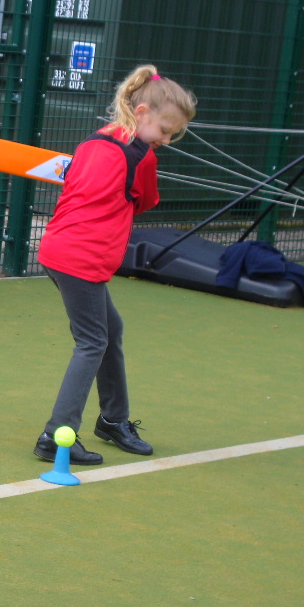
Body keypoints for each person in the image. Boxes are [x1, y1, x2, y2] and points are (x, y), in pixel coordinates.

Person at [33, 65, 197, 465]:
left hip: (57, 248)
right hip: (82, 258)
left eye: (173, 135)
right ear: (141, 112)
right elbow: (146, 201)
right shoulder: (142, 159)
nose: (166, 140)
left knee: (110, 329)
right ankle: (56, 436)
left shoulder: (94, 141)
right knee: (92, 341)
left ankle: (113, 419)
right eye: (165, 131)